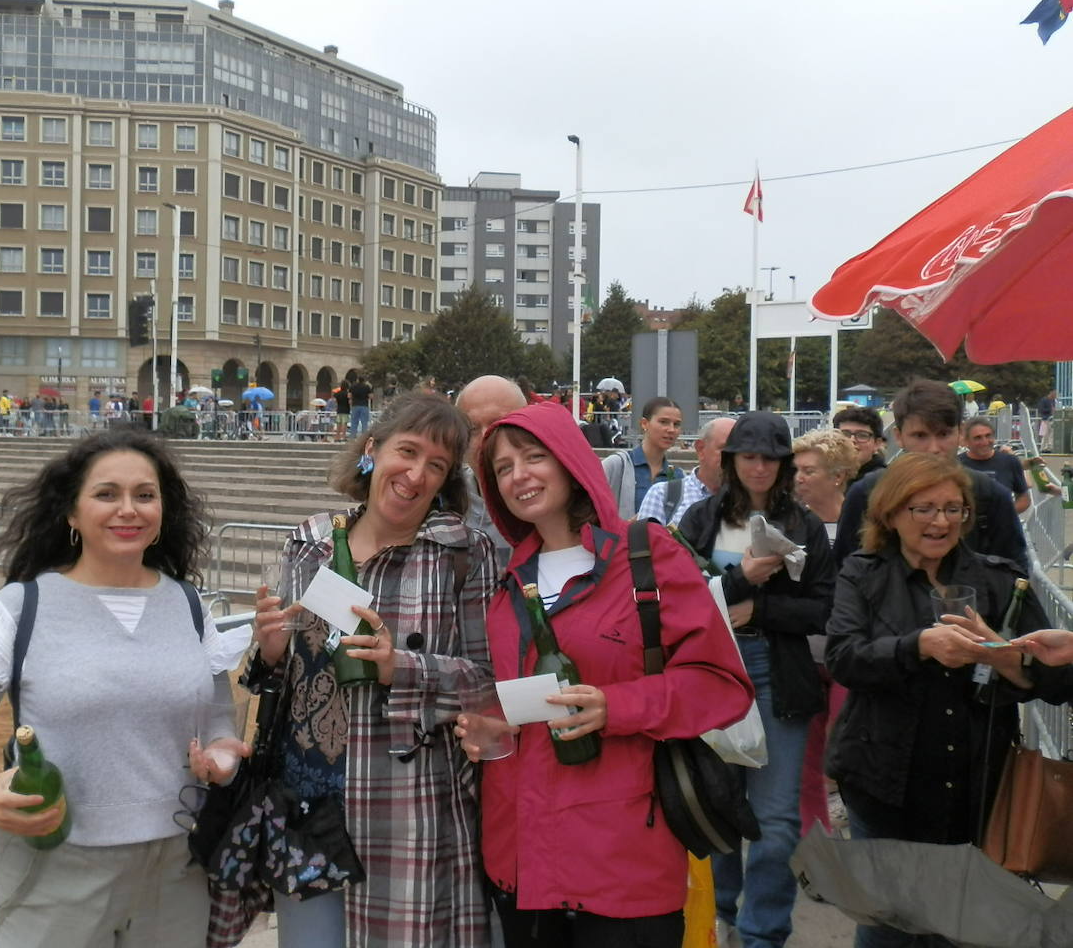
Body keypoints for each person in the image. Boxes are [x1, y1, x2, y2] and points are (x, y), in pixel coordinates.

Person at [0, 427, 241, 948]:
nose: (128, 509)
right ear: (71, 513)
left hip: (177, 872)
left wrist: (221, 752)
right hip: (52, 873)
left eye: (144, 495)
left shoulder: (191, 608)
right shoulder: (19, 610)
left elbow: (216, 719)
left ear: (162, 512)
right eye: (106, 494)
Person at [470, 402, 752, 948]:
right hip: (522, 854)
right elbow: (525, 702)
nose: (518, 475)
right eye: (502, 468)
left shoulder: (647, 556)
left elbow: (721, 684)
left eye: (533, 457)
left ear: (572, 462)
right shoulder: (505, 582)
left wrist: (615, 707)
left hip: (621, 854)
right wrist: (492, 726)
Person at [233, 393, 499, 947]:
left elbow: (487, 682)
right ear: (372, 450)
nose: (416, 474)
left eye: (437, 465)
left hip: (405, 808)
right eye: (407, 451)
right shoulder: (309, 543)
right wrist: (275, 649)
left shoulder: (461, 554)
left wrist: (399, 667)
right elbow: (281, 682)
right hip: (307, 809)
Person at [825, 453, 1073, 948]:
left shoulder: (1002, 581)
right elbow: (843, 658)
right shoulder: (864, 574)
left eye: (952, 509)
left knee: (960, 926)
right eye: (924, 509)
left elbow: (1058, 682)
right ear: (891, 514)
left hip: (977, 784)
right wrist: (917, 646)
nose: (940, 522)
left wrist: (1002, 657)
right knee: (889, 924)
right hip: (884, 779)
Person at [677, 412, 835, 948]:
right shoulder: (700, 519)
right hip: (712, 673)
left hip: (776, 675)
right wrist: (740, 579)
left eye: (770, 457)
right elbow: (675, 595)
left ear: (785, 464)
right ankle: (722, 911)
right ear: (731, 461)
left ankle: (761, 934)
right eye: (749, 456)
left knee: (775, 821)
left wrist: (759, 611)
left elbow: (826, 608)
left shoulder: (805, 526)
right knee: (718, 806)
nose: (760, 466)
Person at [835, 380, 1024, 567]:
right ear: (899, 436)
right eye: (920, 435)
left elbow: (1015, 576)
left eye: (943, 434)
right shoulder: (865, 493)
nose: (933, 448)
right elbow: (842, 570)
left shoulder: (991, 495)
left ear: (960, 434)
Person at [790, 428, 858, 836]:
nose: (798, 477)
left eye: (808, 470)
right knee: (806, 760)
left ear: (836, 476)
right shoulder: (791, 525)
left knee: (842, 745)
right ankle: (815, 852)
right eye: (796, 469)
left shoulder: (866, 523)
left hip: (849, 656)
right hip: (803, 654)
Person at [456, 375, 529, 569]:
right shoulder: (438, 500)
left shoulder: (556, 505)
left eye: (499, 424)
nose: (484, 439)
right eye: (472, 429)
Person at [637, 416, 735, 527]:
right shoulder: (662, 495)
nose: (734, 458)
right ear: (701, 449)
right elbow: (646, 543)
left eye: (741, 452)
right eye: (726, 449)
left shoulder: (750, 499)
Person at [602, 396, 684, 519]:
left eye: (676, 424)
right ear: (644, 424)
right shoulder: (617, 465)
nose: (671, 429)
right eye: (663, 422)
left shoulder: (678, 477)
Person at [958, 416, 1031, 515]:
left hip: (1002, 528)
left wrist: (1003, 514)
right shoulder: (957, 465)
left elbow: (1024, 499)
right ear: (966, 441)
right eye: (977, 438)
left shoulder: (1010, 461)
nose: (984, 442)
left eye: (988, 436)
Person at [832, 406, 887, 485]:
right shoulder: (825, 477)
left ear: (877, 444)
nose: (852, 440)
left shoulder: (883, 482)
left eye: (862, 435)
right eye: (845, 434)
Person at [1037, 388, 1057, 453]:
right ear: (1051, 393)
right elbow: (1041, 410)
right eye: (1054, 393)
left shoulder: (1053, 401)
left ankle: (1049, 448)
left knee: (1051, 434)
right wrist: (1050, 410)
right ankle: (1043, 448)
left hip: (1051, 419)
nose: (1055, 395)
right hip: (1045, 419)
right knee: (1045, 434)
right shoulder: (1044, 400)